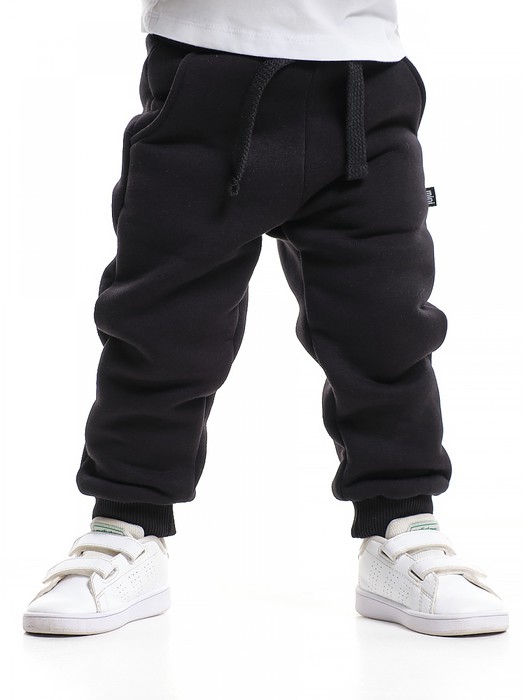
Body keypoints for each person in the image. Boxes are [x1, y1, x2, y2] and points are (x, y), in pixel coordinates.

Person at [23, 0, 509, 637]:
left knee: (385, 324)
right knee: (161, 322)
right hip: (204, 70)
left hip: (365, 76)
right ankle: (126, 525)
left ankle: (402, 523)